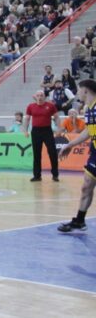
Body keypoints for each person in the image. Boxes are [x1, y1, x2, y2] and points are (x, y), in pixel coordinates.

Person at [58, 79, 96, 232]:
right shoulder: (88, 108)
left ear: (85, 90)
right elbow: (88, 130)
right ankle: (79, 221)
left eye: (79, 90)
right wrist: (69, 144)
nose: (77, 93)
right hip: (95, 150)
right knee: (86, 186)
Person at [24, 90, 61, 182]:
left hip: (47, 131)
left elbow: (56, 117)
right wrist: (25, 130)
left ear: (44, 97)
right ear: (35, 97)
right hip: (36, 131)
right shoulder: (31, 106)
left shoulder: (50, 106)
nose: (40, 97)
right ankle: (37, 176)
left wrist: (59, 129)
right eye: (38, 95)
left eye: (41, 95)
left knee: (52, 152)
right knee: (36, 154)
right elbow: (27, 119)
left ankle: (55, 175)